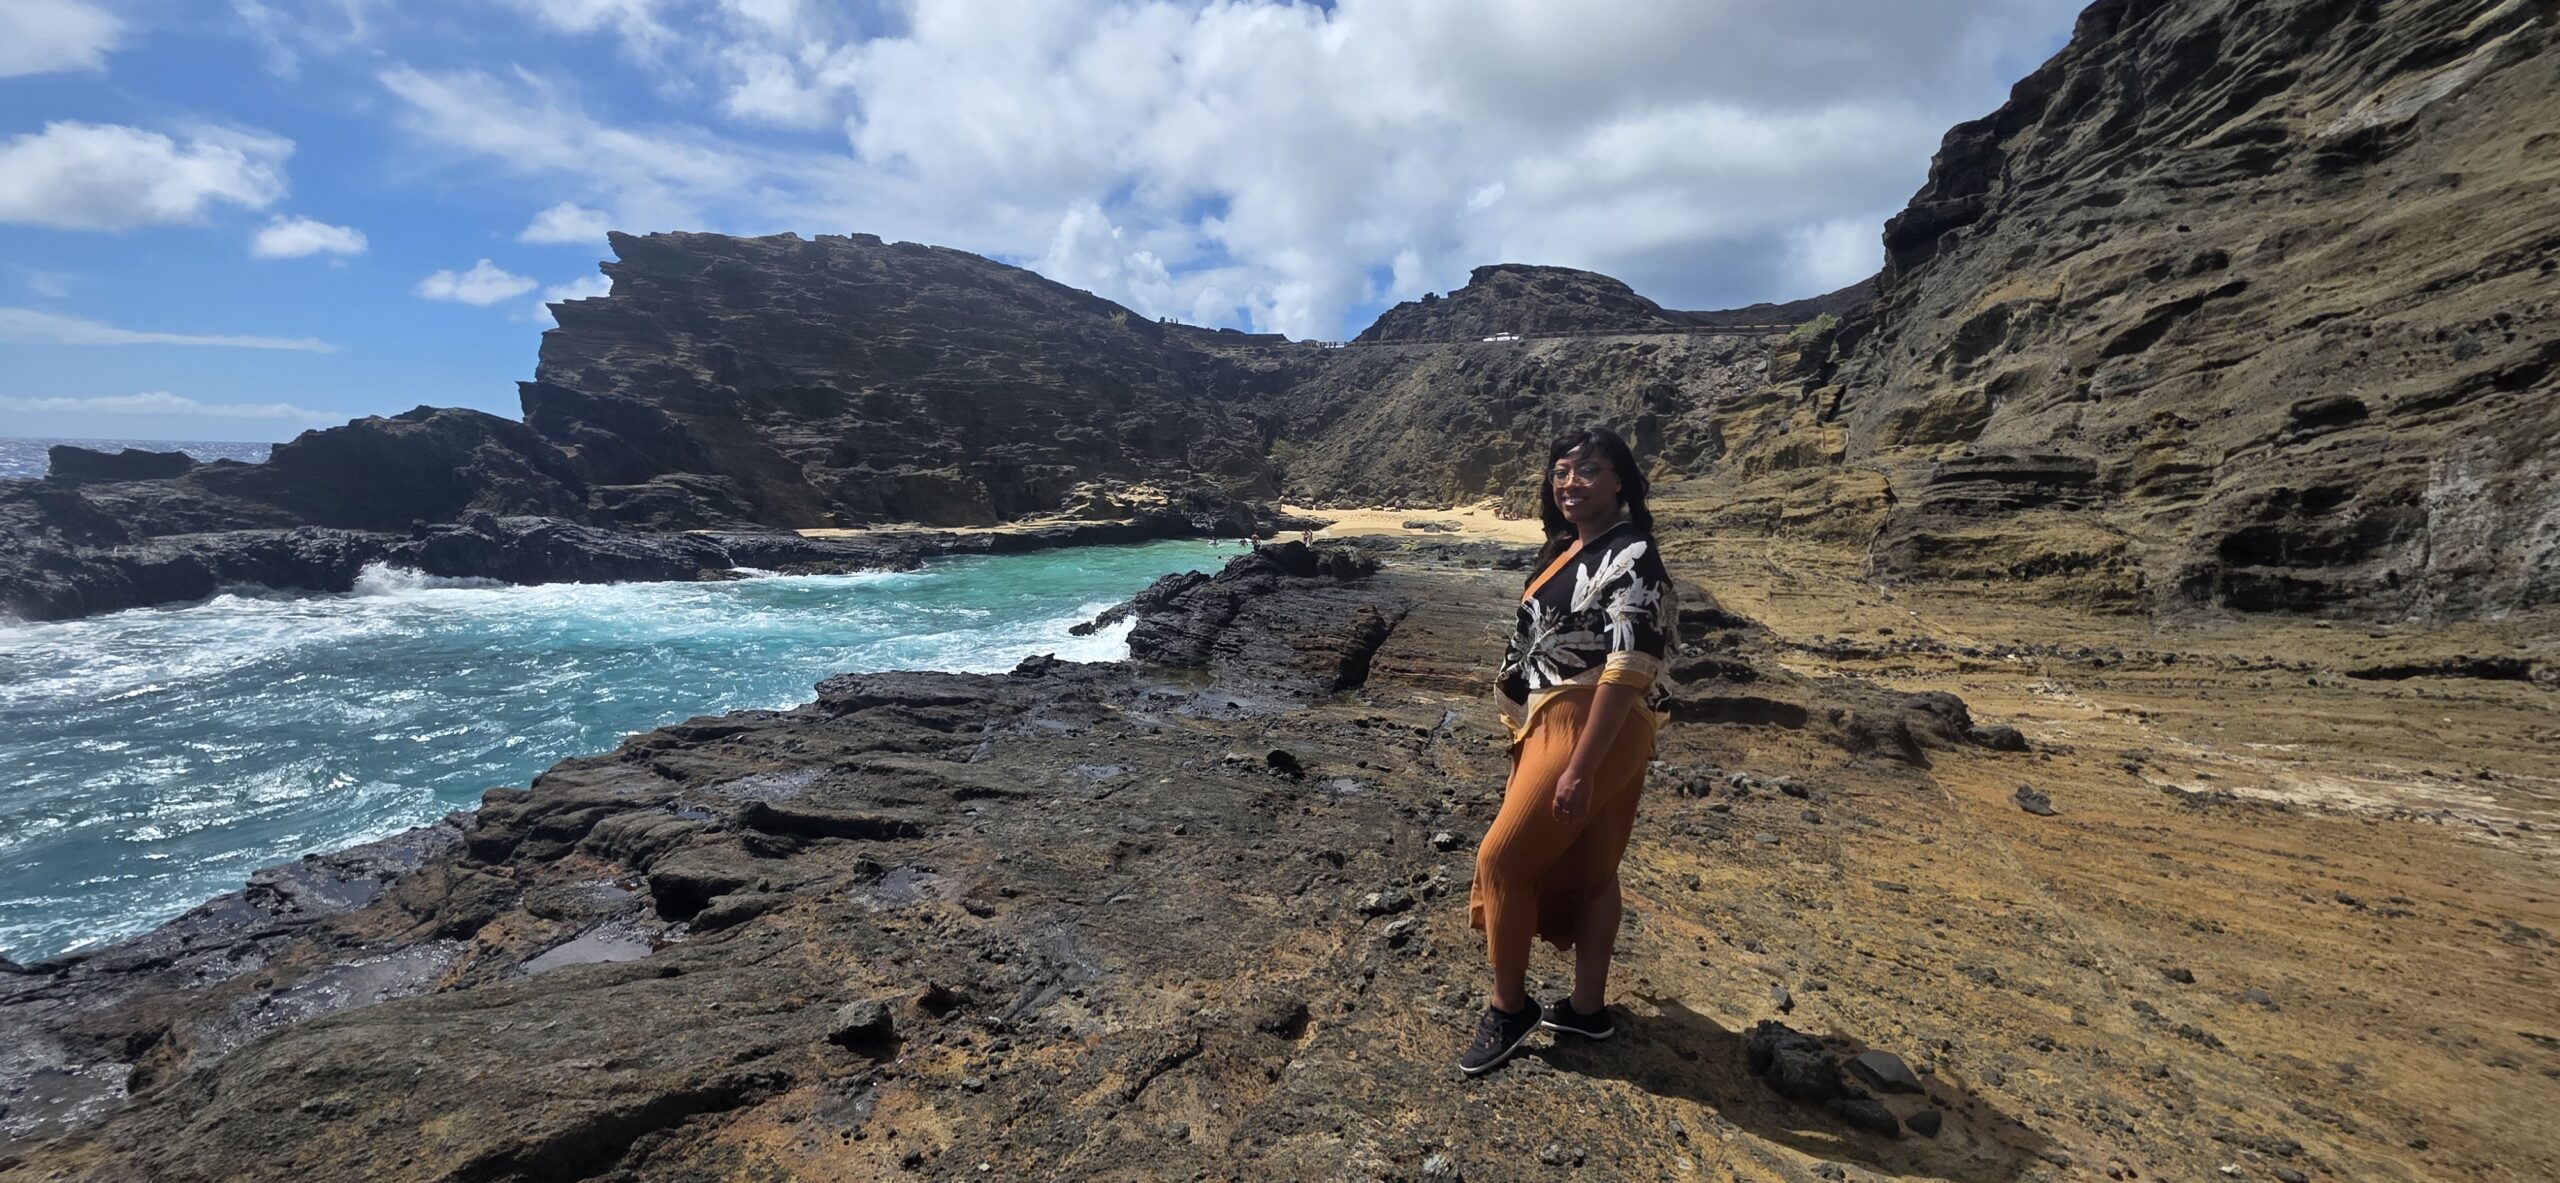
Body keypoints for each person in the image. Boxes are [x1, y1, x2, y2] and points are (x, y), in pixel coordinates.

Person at [1460, 426, 1678, 1075]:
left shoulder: (1632, 552)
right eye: (1560, 471)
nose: (1569, 482)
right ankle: (1586, 1008)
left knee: (1501, 860)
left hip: (1591, 724)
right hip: (1560, 722)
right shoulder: (1566, 548)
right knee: (1593, 865)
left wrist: (1580, 766)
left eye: (1587, 469)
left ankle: (1508, 1007)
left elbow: (1630, 662)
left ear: (1620, 481)